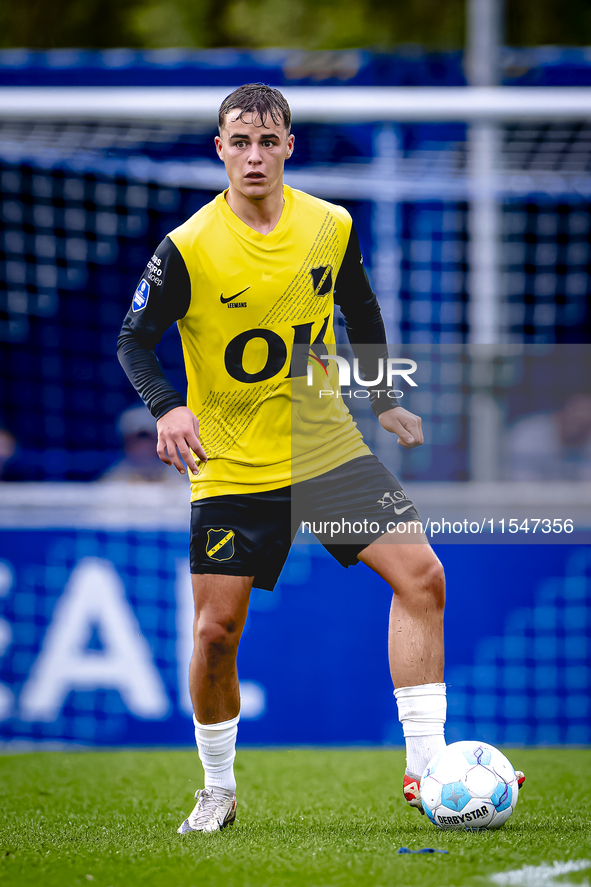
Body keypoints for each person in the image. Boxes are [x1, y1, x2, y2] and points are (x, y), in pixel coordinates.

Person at [118, 84, 521, 834]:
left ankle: (427, 765)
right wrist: (168, 406)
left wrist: (384, 400)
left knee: (423, 576)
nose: (254, 155)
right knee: (214, 633)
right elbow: (133, 340)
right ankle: (217, 787)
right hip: (235, 464)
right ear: (219, 150)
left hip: (325, 446)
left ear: (288, 147)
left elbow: (360, 309)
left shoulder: (328, 224)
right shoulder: (188, 246)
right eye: (239, 141)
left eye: (268, 141)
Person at [100, 404, 187, 483]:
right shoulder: (111, 482)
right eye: (137, 441)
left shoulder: (181, 479)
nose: (144, 447)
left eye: (150, 440)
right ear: (126, 444)